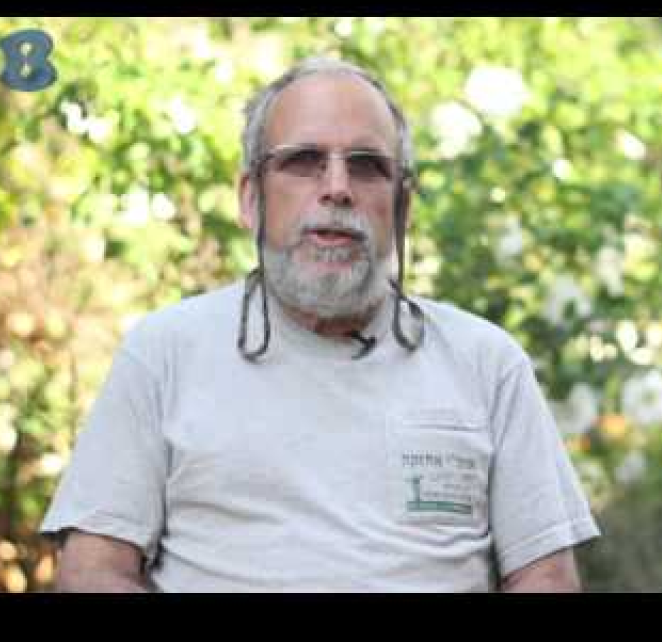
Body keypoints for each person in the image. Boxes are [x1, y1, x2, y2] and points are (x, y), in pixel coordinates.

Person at [41, 56, 600, 592]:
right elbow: (91, 573)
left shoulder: (486, 363)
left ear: (402, 207)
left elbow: (546, 577)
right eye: (304, 161)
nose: (337, 187)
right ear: (251, 199)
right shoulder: (164, 354)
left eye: (367, 166)